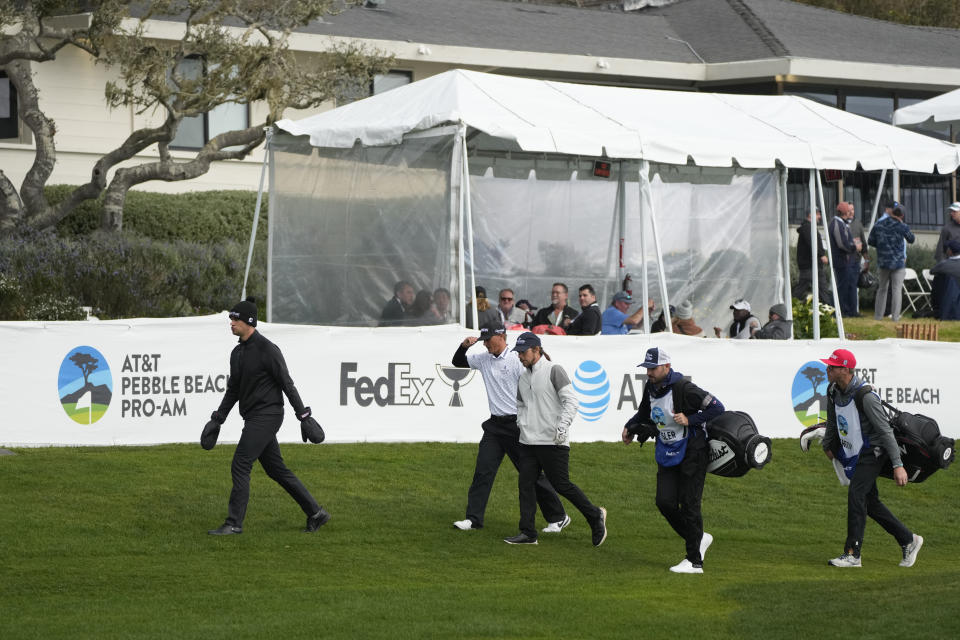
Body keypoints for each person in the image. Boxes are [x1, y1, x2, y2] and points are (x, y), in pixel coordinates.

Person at [206, 298, 329, 536]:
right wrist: (217, 418)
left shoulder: (268, 349)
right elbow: (233, 389)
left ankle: (233, 523)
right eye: (231, 318)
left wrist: (303, 416)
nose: (231, 323)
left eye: (235, 319)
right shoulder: (237, 353)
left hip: (268, 415)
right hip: (254, 417)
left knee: (241, 464)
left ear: (249, 322)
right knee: (276, 470)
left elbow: (287, 384)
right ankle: (316, 513)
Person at [450, 322, 568, 533]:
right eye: (484, 340)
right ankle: (473, 518)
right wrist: (464, 345)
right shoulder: (483, 358)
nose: (486, 344)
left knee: (529, 474)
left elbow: (536, 381)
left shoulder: (517, 359)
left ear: (502, 336)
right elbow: (458, 362)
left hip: (517, 426)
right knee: (483, 471)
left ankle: (558, 516)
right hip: (494, 426)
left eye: (489, 340)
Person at [622, 347, 725, 573]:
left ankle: (694, 561)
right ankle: (698, 537)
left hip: (694, 451)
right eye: (647, 368)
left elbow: (717, 408)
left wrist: (691, 419)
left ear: (666, 367)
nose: (648, 372)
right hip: (667, 448)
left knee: (689, 504)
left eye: (653, 368)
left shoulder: (684, 388)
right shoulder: (651, 386)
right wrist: (629, 426)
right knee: (664, 502)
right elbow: (643, 413)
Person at [818, 348, 923, 568]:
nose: (827, 369)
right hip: (856, 451)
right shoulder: (832, 390)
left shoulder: (866, 396)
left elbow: (885, 431)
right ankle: (908, 539)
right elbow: (833, 420)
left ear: (845, 369)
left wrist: (898, 465)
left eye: (832, 366)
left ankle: (852, 554)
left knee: (856, 495)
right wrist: (828, 446)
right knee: (870, 503)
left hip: (874, 451)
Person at [505, 332, 607, 546]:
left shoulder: (554, 370)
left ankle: (594, 515)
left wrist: (562, 426)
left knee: (562, 485)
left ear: (536, 350)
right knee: (526, 485)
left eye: (523, 352)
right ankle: (528, 533)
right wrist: (521, 424)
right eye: (518, 353)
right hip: (528, 442)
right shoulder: (523, 377)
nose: (520, 357)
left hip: (553, 441)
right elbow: (521, 405)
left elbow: (571, 401)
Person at [868, 205, 915, 322]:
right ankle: (895, 318)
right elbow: (911, 239)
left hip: (883, 262)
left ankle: (878, 317)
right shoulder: (902, 226)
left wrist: (882, 247)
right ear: (902, 216)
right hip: (898, 263)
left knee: (882, 289)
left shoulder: (879, 224)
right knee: (897, 290)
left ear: (892, 212)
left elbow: (871, 241)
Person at [829, 202, 863, 317]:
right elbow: (842, 244)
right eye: (849, 211)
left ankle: (849, 310)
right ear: (845, 212)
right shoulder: (837, 224)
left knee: (848, 286)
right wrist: (855, 247)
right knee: (842, 286)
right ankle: (839, 311)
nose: (851, 213)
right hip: (841, 261)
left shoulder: (843, 223)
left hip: (847, 260)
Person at [796, 208, 831, 304]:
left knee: (819, 288)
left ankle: (829, 309)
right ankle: (830, 310)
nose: (819, 217)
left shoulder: (809, 228)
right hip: (810, 265)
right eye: (818, 214)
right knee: (821, 287)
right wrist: (821, 255)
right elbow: (812, 243)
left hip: (811, 264)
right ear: (811, 215)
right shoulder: (808, 228)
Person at [932, 202, 960, 317]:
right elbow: (940, 250)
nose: (951, 213)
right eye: (951, 211)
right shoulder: (947, 228)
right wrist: (942, 267)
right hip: (951, 269)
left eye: (954, 211)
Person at [930, 239, 960, 320]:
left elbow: (931, 271)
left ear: (950, 251)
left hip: (947, 297)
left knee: (938, 278)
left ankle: (938, 310)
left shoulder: (944, 264)